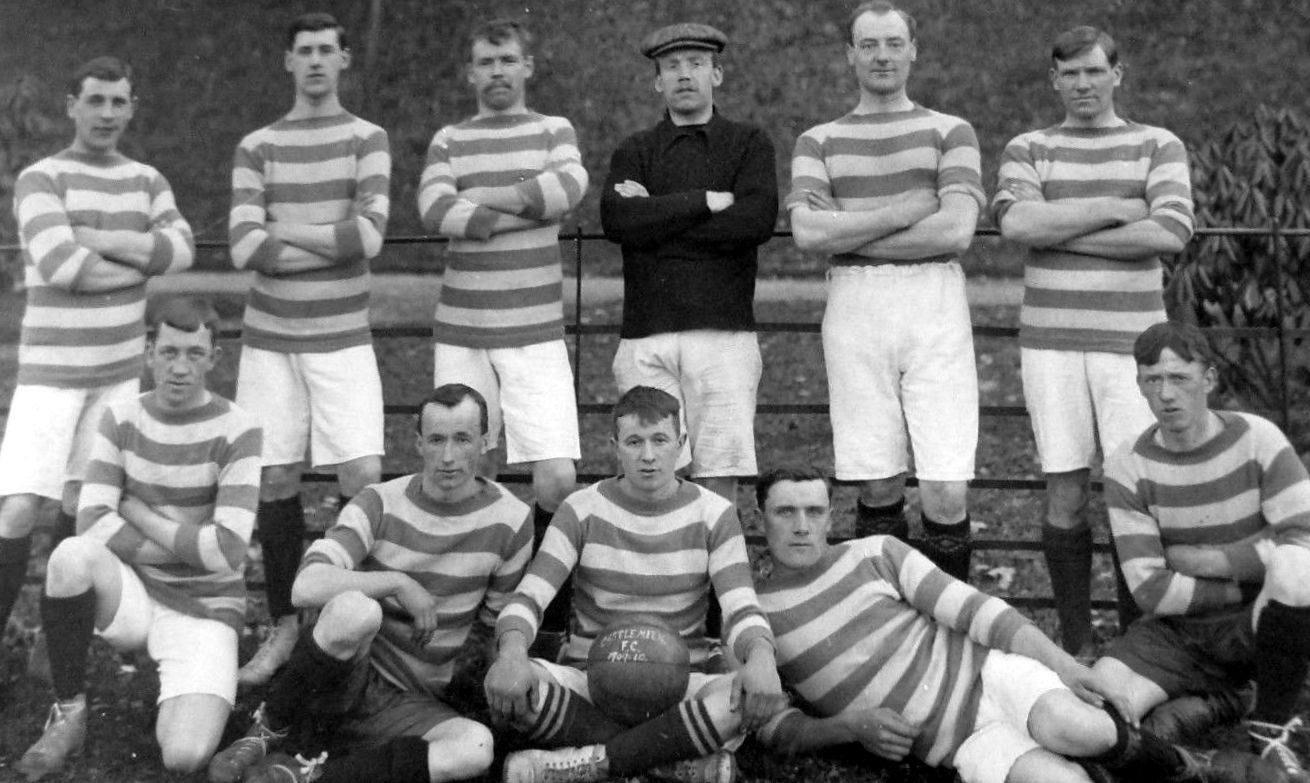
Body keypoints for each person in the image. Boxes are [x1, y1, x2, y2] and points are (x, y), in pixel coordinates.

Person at [752, 464, 1280, 783]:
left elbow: (978, 610)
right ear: (760, 518)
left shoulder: (874, 553)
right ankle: (1179, 729)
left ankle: (1197, 767)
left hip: (990, 675)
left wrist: (1065, 667)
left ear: (830, 515)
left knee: (1072, 726)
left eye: (814, 511)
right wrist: (849, 728)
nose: (802, 526)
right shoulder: (755, 617)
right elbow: (774, 729)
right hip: (957, 743)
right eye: (785, 512)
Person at [207, 384, 534, 783]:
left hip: (411, 701)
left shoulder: (511, 520)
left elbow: (494, 626)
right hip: (341, 677)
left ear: (484, 442)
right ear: (419, 444)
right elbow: (304, 586)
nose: (448, 456)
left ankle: (311, 776)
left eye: (462, 439)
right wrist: (396, 582)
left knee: (476, 746)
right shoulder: (379, 502)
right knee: (355, 610)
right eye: (436, 440)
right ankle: (268, 729)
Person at [991, 25, 1196, 655]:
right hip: (1051, 343)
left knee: (1135, 493)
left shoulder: (1157, 144)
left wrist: (1060, 230)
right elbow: (1017, 224)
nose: (1083, 84)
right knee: (1066, 491)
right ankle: (1078, 645)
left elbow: (1169, 233)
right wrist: (1116, 209)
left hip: (1133, 348)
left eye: (1094, 71)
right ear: (1054, 80)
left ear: (1117, 74)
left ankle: (1138, 646)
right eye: (1070, 74)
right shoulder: (1029, 147)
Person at [483, 386, 787, 783]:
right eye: (634, 442)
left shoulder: (715, 514)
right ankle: (666, 760)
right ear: (615, 447)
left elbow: (741, 605)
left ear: (680, 444)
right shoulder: (581, 508)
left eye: (660, 440)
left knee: (739, 698)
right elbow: (529, 598)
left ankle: (584, 762)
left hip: (682, 685)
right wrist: (510, 654)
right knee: (522, 683)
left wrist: (762, 658)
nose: (648, 455)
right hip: (590, 680)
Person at [16, 298, 261, 780]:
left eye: (194, 354)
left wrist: (137, 512)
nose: (180, 368)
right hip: (132, 594)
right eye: (168, 352)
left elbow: (227, 550)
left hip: (205, 605)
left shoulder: (239, 429)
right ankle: (69, 713)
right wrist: (188, 545)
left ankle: (183, 691)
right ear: (149, 353)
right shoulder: (121, 416)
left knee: (185, 756)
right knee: (70, 556)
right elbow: (91, 520)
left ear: (214, 358)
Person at [0, 56, 195, 660]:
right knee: (18, 509)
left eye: (118, 101)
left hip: (116, 377)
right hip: (51, 374)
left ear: (132, 107)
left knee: (83, 508)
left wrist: (101, 240)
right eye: (95, 100)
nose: (107, 113)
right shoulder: (41, 179)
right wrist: (141, 263)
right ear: (71, 106)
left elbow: (182, 250)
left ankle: (52, 644)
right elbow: (65, 267)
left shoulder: (147, 180)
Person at [786, 0, 983, 581]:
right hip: (855, 306)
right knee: (877, 481)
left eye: (894, 43)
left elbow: (955, 231)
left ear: (913, 50)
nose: (882, 56)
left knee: (945, 487)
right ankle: (885, 618)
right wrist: (904, 210)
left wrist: (849, 227)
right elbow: (808, 233)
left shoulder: (950, 131)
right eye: (868, 44)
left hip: (934, 302)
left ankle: (949, 620)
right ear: (850, 54)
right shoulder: (818, 140)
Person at [228, 11, 392, 685]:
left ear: (344, 59)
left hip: (342, 337)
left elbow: (370, 237)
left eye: (328, 49)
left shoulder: (367, 138)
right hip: (269, 340)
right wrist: (330, 236)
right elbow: (245, 247)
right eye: (306, 50)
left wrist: (286, 229)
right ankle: (285, 626)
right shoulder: (257, 146)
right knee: (274, 480)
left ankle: (357, 630)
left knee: (363, 476)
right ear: (289, 61)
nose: (317, 60)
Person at [417, 17, 588, 651]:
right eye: (486, 62)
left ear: (527, 66)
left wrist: (479, 205)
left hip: (534, 328)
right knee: (462, 467)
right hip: (463, 329)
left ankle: (547, 620)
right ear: (471, 72)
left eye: (507, 60)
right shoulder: (450, 138)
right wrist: (528, 207)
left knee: (557, 478)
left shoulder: (553, 130)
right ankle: (470, 623)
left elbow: (568, 187)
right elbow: (434, 209)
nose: (497, 71)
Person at [1091, 321, 1310, 781]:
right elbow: (1151, 590)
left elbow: (1305, 535)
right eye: (1153, 380)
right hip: (1177, 634)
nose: (1166, 394)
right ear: (1140, 385)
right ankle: (1215, 724)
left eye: (1179, 378)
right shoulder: (1128, 465)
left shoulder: (1257, 438)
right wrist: (1249, 570)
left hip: (1257, 618)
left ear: (1208, 379)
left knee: (1297, 568)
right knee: (1098, 705)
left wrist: (1212, 561)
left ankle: (1269, 729)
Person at [599, 22, 778, 505]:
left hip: (723, 334)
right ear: (657, 81)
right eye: (672, 66)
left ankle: (718, 558)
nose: (684, 74)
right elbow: (619, 220)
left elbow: (754, 220)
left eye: (696, 64)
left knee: (720, 472)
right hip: (646, 336)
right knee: (651, 474)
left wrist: (656, 214)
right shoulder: (635, 150)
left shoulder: (748, 143)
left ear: (716, 74)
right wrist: (705, 201)